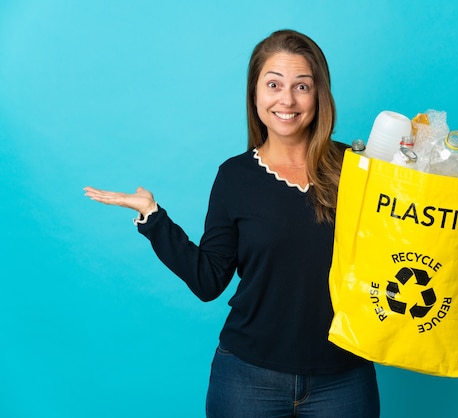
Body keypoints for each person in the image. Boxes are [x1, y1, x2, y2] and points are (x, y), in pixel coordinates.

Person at [84, 29, 380, 418]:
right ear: (255, 94)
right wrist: (154, 218)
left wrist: (452, 283)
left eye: (302, 86)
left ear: (319, 95)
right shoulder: (235, 177)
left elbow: (395, 250)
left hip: (344, 378)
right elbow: (209, 281)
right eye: (273, 84)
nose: (286, 100)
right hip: (248, 380)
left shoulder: (358, 169)